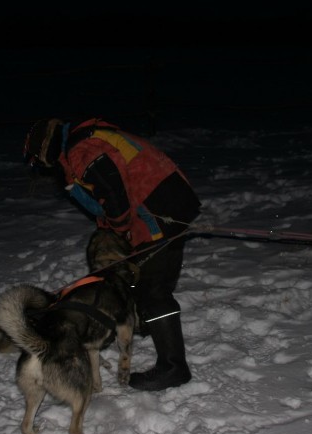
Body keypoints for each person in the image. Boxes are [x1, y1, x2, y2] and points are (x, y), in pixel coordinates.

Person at [22, 117, 201, 391]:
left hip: (160, 207)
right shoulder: (81, 144)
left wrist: (118, 229)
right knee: (140, 276)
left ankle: (173, 367)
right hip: (165, 201)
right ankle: (144, 321)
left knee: (154, 287)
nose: (42, 167)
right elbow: (105, 198)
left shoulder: (82, 150)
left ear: (44, 148)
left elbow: (115, 198)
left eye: (37, 160)